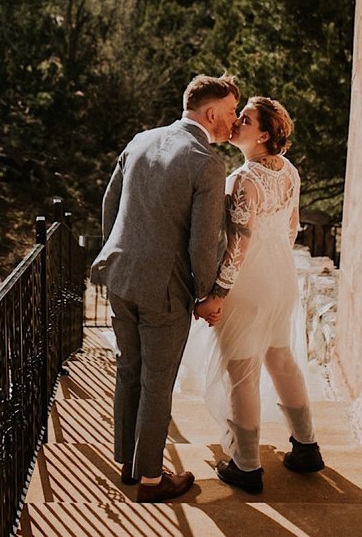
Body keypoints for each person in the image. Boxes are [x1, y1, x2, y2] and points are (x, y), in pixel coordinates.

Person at [91, 74, 238, 503]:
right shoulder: (206, 162)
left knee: (129, 370)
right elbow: (203, 240)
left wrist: (115, 256)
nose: (232, 122)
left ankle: (129, 464)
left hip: (121, 278)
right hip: (165, 290)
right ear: (211, 113)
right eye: (230, 113)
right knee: (157, 382)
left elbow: (110, 205)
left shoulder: (140, 139)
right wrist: (205, 294)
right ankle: (153, 480)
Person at [196, 97, 324, 493]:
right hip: (281, 279)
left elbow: (239, 243)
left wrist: (218, 291)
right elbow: (292, 228)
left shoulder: (242, 180)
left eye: (246, 119)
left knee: (242, 372)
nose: (236, 122)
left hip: (247, 285)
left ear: (264, 134)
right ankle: (307, 447)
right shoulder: (289, 172)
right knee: (281, 359)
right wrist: (277, 268)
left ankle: (247, 465)